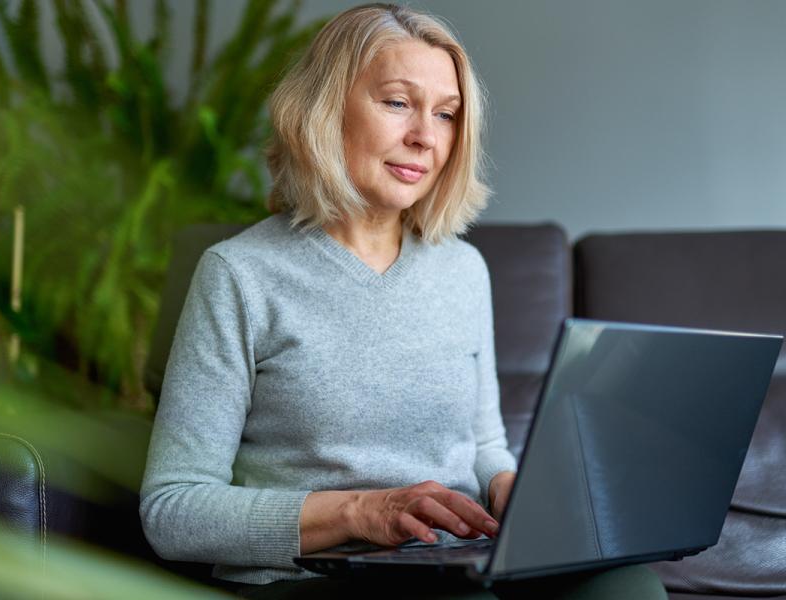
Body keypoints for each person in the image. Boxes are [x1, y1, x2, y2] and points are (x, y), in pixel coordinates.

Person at [139, 4, 666, 599]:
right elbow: (173, 510)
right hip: (315, 577)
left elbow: (485, 444)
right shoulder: (239, 274)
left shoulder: (464, 270)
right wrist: (361, 512)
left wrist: (509, 487)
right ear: (324, 109)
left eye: (446, 115)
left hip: (454, 562)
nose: (425, 136)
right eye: (396, 103)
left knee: (628, 588)